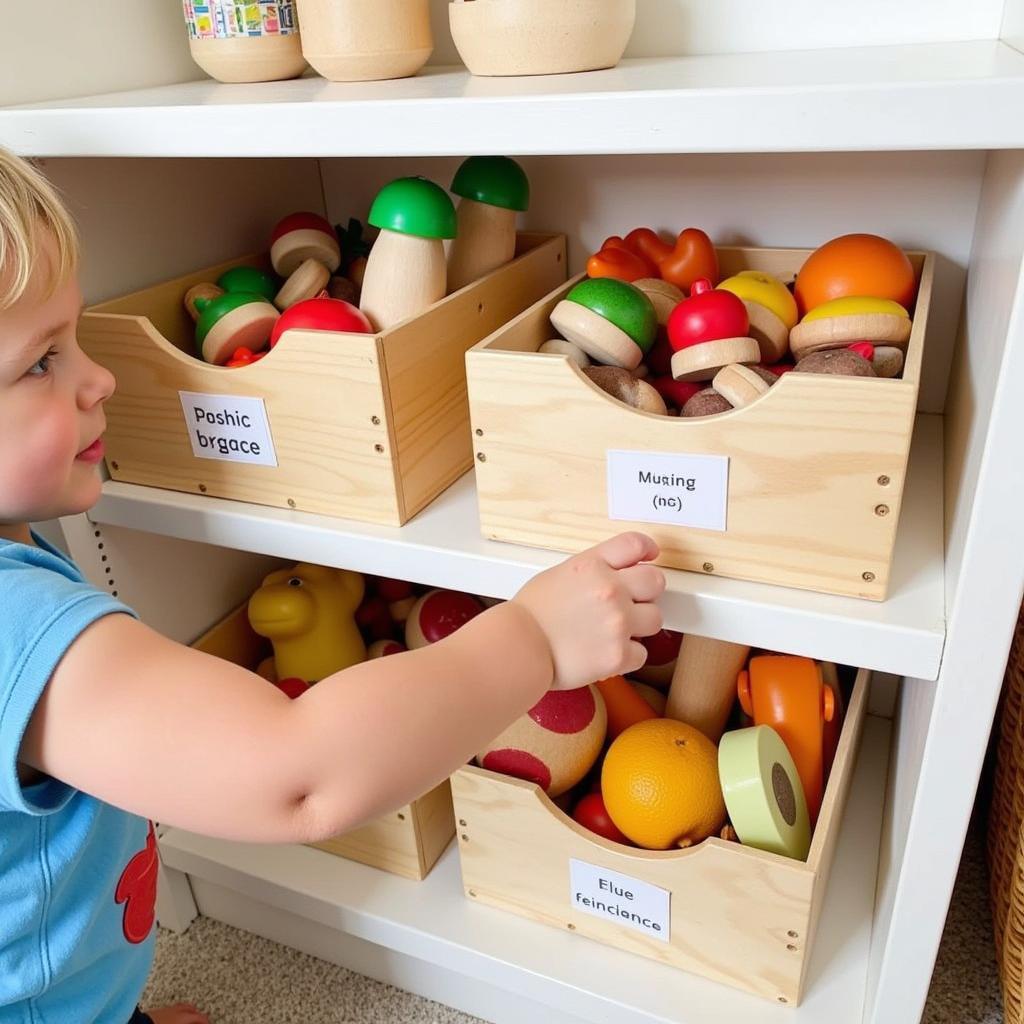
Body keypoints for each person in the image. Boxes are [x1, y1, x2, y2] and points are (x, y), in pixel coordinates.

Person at [0, 148, 666, 1024]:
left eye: (77, 337)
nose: (101, 377)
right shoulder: (18, 623)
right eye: (40, 363)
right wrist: (533, 640)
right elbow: (299, 776)